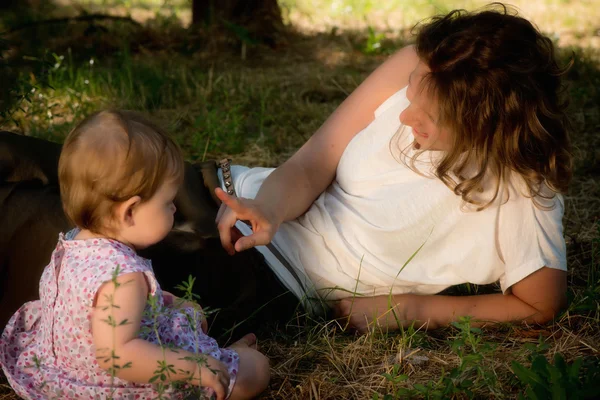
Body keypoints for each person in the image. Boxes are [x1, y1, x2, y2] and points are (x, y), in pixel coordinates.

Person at [213, 4, 572, 333]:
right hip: (230, 196)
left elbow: (538, 304)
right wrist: (268, 207)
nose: (403, 116)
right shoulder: (416, 63)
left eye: (429, 117)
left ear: (483, 125)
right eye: (412, 93)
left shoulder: (520, 189)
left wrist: (410, 309)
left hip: (273, 275)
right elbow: (312, 163)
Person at [0, 111, 270, 400]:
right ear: (129, 211)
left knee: (191, 315)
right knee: (254, 371)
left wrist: (166, 300)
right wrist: (196, 367)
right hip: (111, 383)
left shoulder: (75, 240)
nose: (175, 209)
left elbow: (96, 309)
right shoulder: (124, 278)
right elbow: (118, 356)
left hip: (62, 365)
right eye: (167, 202)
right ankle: (232, 356)